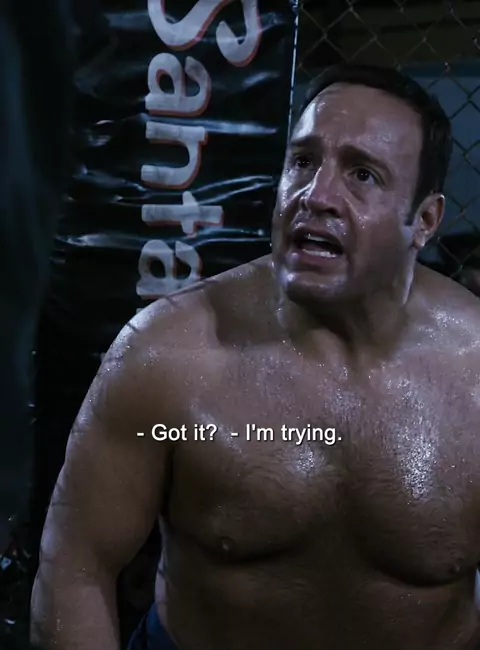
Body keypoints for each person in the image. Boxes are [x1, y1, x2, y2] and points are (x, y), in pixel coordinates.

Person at [30, 63, 480, 650]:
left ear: (424, 220)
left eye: (362, 174)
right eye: (303, 162)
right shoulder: (169, 353)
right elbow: (76, 565)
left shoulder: (473, 372)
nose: (316, 196)